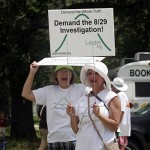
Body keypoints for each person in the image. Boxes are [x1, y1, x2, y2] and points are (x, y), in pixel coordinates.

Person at [21, 61, 87, 150]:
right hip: (54, 140)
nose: (64, 73)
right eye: (61, 71)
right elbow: (26, 94)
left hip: (74, 139)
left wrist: (96, 69)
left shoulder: (79, 89)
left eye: (67, 71)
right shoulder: (49, 91)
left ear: (72, 75)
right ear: (56, 76)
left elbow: (97, 90)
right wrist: (32, 72)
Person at [66, 61, 121, 150]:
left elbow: (115, 126)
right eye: (90, 73)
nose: (92, 76)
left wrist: (99, 116)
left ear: (103, 77)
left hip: (102, 147)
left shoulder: (111, 97)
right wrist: (72, 116)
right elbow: (76, 130)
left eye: (96, 73)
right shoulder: (82, 99)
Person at [111, 77, 131, 150]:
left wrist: (117, 124)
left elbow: (122, 111)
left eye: (112, 86)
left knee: (120, 144)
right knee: (122, 143)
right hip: (124, 124)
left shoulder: (120, 95)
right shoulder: (124, 94)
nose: (111, 88)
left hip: (121, 125)